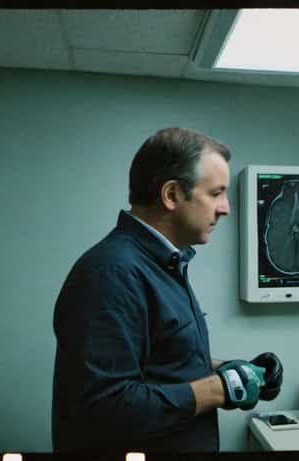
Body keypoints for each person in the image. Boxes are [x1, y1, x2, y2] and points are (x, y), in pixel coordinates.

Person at [52, 127, 283, 452]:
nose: (225, 208)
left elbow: (161, 362)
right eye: (216, 193)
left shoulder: (162, 265)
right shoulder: (112, 274)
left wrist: (232, 370)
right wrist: (220, 389)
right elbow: (106, 408)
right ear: (172, 195)